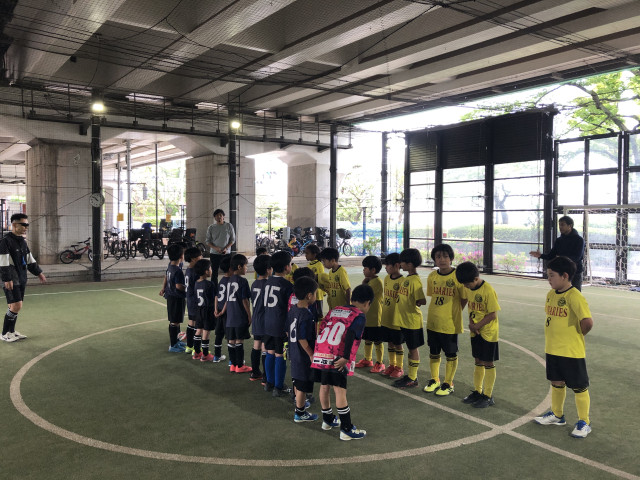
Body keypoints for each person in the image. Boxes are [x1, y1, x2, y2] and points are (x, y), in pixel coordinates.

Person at [534, 256, 594, 438]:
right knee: (556, 382)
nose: (549, 279)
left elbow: (587, 322)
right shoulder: (551, 294)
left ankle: (584, 422)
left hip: (571, 351)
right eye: (548, 275)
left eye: (552, 275)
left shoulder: (574, 296)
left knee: (579, 386)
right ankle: (557, 415)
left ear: (565, 276)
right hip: (552, 349)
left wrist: (575, 337)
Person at [311, 284, 374, 441]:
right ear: (367, 303)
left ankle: (327, 420)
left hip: (321, 351)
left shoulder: (335, 309)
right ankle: (346, 429)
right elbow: (351, 333)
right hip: (337, 355)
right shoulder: (359, 315)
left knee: (324, 386)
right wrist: (345, 357)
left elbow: (321, 327)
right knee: (339, 390)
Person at [455, 261, 501, 408]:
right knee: (478, 360)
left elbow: (492, 314)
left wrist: (477, 326)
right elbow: (471, 309)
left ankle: (488, 396)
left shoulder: (488, 290)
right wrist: (471, 324)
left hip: (488, 333)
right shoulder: (470, 289)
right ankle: (478, 391)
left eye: (467, 284)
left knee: (488, 362)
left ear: (475, 279)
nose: (465, 287)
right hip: (475, 332)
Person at [424, 244, 466, 396]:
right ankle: (434, 379)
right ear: (434, 260)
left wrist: (454, 312)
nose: (442, 260)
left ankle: (448, 383)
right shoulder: (432, 276)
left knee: (450, 354)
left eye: (445, 256)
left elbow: (464, 298)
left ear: (451, 258)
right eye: (438, 257)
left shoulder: (458, 277)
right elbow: (433, 297)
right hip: (433, 321)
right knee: (434, 352)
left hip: (450, 323)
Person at [0, 213, 46, 342]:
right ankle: (4, 333)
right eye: (24, 224)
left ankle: (12, 332)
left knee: (14, 306)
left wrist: (39, 273)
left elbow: (30, 260)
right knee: (16, 306)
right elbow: (3, 262)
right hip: (11, 278)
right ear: (15, 225)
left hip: (21, 277)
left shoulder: (22, 242)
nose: (26, 227)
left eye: (27, 225)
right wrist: (7, 279)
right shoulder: (5, 241)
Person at [392, 248, 427, 389]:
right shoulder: (408, 279)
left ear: (410, 264)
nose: (400, 264)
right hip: (404, 320)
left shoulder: (415, 281)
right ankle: (410, 375)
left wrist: (416, 301)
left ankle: (413, 378)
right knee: (410, 348)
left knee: (413, 349)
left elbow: (422, 300)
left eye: (402, 262)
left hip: (412, 321)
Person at [287, 276, 319, 423]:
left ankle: (300, 405)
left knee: (297, 380)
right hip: (302, 355)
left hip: (293, 351)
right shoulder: (306, 314)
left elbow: (287, 330)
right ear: (309, 295)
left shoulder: (293, 309)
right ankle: (300, 413)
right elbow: (302, 337)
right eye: (315, 293)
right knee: (302, 384)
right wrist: (311, 354)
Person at [262, 250, 294, 397]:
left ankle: (269, 383)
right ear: (286, 267)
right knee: (280, 354)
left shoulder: (268, 281)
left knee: (269, 352)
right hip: (280, 324)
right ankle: (278, 387)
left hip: (267, 322)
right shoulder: (287, 285)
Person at [530, 215, 585, 290]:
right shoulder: (559, 240)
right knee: (561, 293)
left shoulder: (579, 240)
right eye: (559, 225)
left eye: (562, 225)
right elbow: (551, 256)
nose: (560, 227)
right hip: (561, 272)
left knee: (575, 293)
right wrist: (540, 255)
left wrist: (561, 258)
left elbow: (577, 257)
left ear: (570, 226)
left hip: (575, 272)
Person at [355, 256, 385, 373]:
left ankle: (380, 363)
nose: (363, 270)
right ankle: (368, 359)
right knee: (367, 338)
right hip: (367, 316)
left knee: (377, 340)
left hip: (375, 317)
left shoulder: (377, 282)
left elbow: (364, 294)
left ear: (373, 270)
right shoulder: (370, 281)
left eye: (365, 268)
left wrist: (363, 284)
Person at [223, 254, 253, 373]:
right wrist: (249, 315)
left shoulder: (229, 280)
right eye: (246, 266)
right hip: (239, 315)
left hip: (230, 316)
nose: (246, 268)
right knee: (239, 340)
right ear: (240, 267)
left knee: (231, 341)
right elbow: (244, 300)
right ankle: (240, 366)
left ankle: (233, 364)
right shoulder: (242, 281)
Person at [379, 253, 405, 379]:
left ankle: (399, 367)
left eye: (388, 265)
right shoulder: (386, 278)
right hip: (386, 317)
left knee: (398, 343)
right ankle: (392, 365)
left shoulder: (403, 281)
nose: (386, 267)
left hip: (397, 319)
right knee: (389, 342)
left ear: (396, 265)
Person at [250, 254, 271, 381]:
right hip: (265, 319)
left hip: (256, 318)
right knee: (265, 347)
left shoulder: (254, 283)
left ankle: (255, 372)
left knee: (256, 344)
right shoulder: (268, 284)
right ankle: (265, 376)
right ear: (268, 269)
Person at [192, 259, 217, 362]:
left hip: (199, 309)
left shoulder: (196, 283)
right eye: (210, 268)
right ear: (206, 271)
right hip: (207, 310)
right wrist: (216, 309)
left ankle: (197, 352)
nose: (211, 270)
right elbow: (214, 298)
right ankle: (205, 354)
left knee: (198, 330)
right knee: (206, 332)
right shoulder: (209, 284)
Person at [164, 244, 186, 352]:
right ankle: (173, 345)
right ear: (181, 256)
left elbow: (166, 277)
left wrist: (163, 288)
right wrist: (188, 288)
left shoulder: (170, 266)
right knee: (174, 322)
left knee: (176, 320)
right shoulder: (178, 271)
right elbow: (178, 286)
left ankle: (177, 341)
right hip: (176, 297)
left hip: (171, 296)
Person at [183, 246, 203, 354]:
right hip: (195, 300)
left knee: (191, 322)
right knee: (198, 325)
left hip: (190, 300)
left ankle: (189, 346)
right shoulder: (195, 272)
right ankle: (196, 349)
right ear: (194, 259)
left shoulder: (188, 269)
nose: (201, 257)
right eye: (200, 256)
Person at [212, 255, 232, 363]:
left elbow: (216, 296)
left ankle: (216, 356)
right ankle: (232, 360)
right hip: (226, 312)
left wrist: (216, 309)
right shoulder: (231, 281)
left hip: (219, 310)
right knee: (229, 336)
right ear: (231, 268)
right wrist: (223, 311)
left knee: (219, 334)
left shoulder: (222, 280)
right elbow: (228, 299)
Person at [206, 209, 235, 280]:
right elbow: (207, 241)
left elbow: (232, 240)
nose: (219, 217)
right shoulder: (211, 227)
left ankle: (229, 284)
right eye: (216, 215)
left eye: (220, 215)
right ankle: (214, 286)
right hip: (214, 253)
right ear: (214, 217)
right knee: (214, 272)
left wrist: (226, 248)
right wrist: (216, 248)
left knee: (229, 271)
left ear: (223, 216)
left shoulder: (229, 226)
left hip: (226, 253)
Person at [304, 244, 326, 320]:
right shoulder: (308, 265)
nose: (305, 255)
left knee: (319, 313)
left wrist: (323, 291)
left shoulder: (319, 264)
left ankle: (319, 325)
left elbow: (321, 278)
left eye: (307, 253)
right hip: (311, 293)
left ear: (314, 254)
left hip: (318, 293)